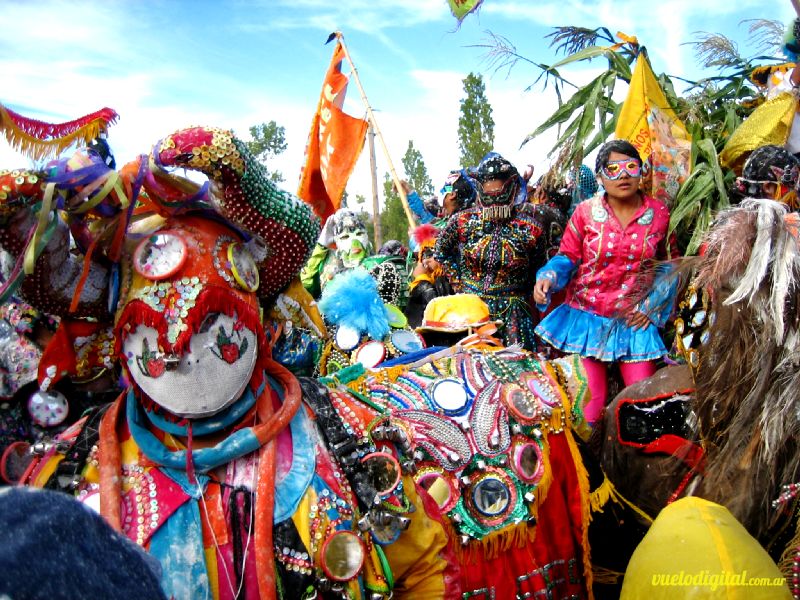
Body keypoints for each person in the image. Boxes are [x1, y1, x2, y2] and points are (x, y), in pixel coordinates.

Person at [1, 125, 457, 599]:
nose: (178, 352)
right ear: (115, 333)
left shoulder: (345, 432)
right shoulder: (71, 470)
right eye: (147, 330)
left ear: (258, 323)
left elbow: (423, 567)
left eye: (210, 323)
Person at [533, 139, 679, 424]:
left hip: (635, 320)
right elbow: (568, 255)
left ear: (642, 172)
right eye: (612, 169)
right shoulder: (585, 212)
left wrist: (652, 305)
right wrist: (548, 277)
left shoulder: (659, 214)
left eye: (630, 166)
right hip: (588, 317)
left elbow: (670, 264)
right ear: (600, 176)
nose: (623, 175)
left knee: (643, 404)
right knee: (590, 407)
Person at [435, 154, 555, 350]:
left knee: (515, 373)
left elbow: (537, 268)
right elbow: (441, 251)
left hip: (514, 316)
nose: (494, 202)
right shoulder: (462, 221)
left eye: (499, 193)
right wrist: (458, 282)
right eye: (488, 194)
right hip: (470, 311)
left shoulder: (532, 228)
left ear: (512, 188)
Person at [405, 223, 453, 329]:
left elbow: (435, 310)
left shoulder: (449, 281)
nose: (426, 261)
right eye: (424, 255)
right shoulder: (428, 279)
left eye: (432, 255)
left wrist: (421, 281)